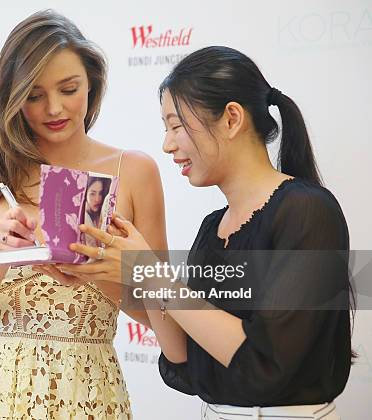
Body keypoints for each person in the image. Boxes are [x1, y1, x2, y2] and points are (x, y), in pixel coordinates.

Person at [47, 46, 354, 419]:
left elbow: (267, 364)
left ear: (231, 119)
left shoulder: (307, 210)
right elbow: (183, 356)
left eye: (176, 126)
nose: (167, 144)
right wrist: (122, 272)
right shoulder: (213, 227)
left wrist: (152, 273)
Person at [0, 10, 166, 419]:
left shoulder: (133, 171)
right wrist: (5, 256)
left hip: (88, 391)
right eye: (34, 95)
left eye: (69, 89)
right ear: (13, 97)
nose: (54, 108)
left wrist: (93, 271)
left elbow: (161, 313)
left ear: (92, 84)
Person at [83, 177, 111, 247]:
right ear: (85, 193)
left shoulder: (101, 213)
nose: (97, 199)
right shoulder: (84, 218)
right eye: (92, 194)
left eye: (100, 193)